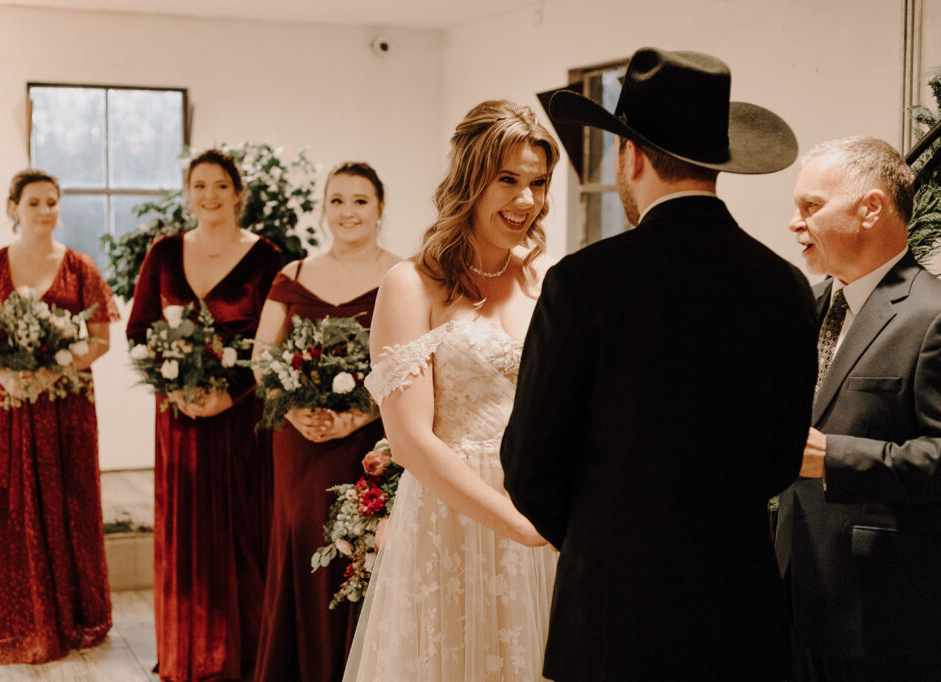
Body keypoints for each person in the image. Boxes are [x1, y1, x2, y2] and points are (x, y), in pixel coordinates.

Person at [500, 47, 819, 681]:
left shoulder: (583, 282)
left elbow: (529, 461)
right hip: (740, 607)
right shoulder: (784, 285)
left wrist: (605, 536)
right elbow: (784, 458)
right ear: (716, 165)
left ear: (633, 155)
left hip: (613, 611)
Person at [342, 100, 559, 682]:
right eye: (507, 180)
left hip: (541, 508)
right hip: (452, 516)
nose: (526, 200)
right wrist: (516, 523)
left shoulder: (544, 279)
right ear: (469, 179)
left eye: (538, 183)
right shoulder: (412, 284)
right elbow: (409, 440)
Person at [774, 136, 941, 681]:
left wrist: (836, 457)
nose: (795, 224)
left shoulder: (930, 314)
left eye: (810, 207)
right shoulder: (811, 303)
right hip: (792, 592)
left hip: (882, 611)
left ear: (871, 207)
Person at [0, 168, 118, 664]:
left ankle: (73, 616)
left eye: (52, 202)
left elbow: (103, 339)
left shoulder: (81, 267)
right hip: (5, 406)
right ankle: (11, 617)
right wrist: (4, 374)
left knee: (70, 500)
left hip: (65, 407)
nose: (45, 211)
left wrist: (54, 369)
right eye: (35, 203)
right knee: (6, 503)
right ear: (13, 208)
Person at [126, 149, 281, 681]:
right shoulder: (165, 252)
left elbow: (274, 341)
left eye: (220, 185)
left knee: (244, 530)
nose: (210, 195)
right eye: (200, 185)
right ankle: (187, 652)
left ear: (238, 193)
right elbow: (139, 329)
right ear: (187, 192)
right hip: (180, 420)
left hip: (242, 420)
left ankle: (245, 655)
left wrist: (229, 394)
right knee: (184, 536)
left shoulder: (266, 258)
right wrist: (174, 390)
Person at [252, 162, 400, 682]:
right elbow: (261, 357)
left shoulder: (404, 275)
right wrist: (291, 409)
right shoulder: (292, 275)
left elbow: (416, 362)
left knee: (358, 551)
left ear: (380, 207)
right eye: (337, 200)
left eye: (360, 200)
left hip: (370, 442)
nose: (348, 212)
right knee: (300, 542)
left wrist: (358, 416)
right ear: (324, 208)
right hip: (299, 438)